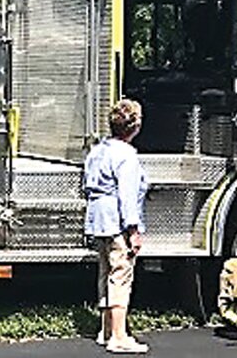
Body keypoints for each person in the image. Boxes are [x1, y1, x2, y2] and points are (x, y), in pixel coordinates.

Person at [84, 99, 148, 354]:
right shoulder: (127, 155)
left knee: (105, 272)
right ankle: (119, 337)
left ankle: (106, 329)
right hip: (117, 220)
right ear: (136, 127)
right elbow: (127, 195)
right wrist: (133, 230)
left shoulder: (97, 150)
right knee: (121, 274)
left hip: (97, 219)